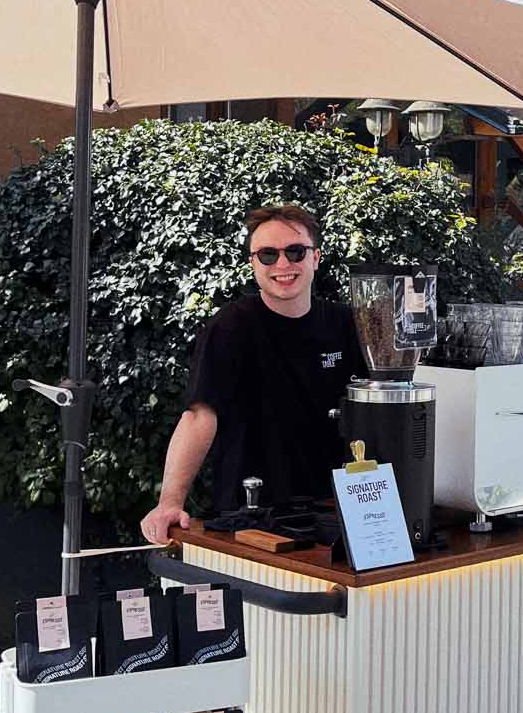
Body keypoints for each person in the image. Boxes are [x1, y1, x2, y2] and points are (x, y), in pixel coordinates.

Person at [140, 205, 361, 544]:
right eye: (268, 255)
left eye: (295, 252)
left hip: (335, 513)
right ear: (253, 263)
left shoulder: (347, 324)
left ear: (315, 258)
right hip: (250, 519)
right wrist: (169, 502)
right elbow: (200, 415)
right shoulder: (231, 327)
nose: (283, 264)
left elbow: (381, 412)